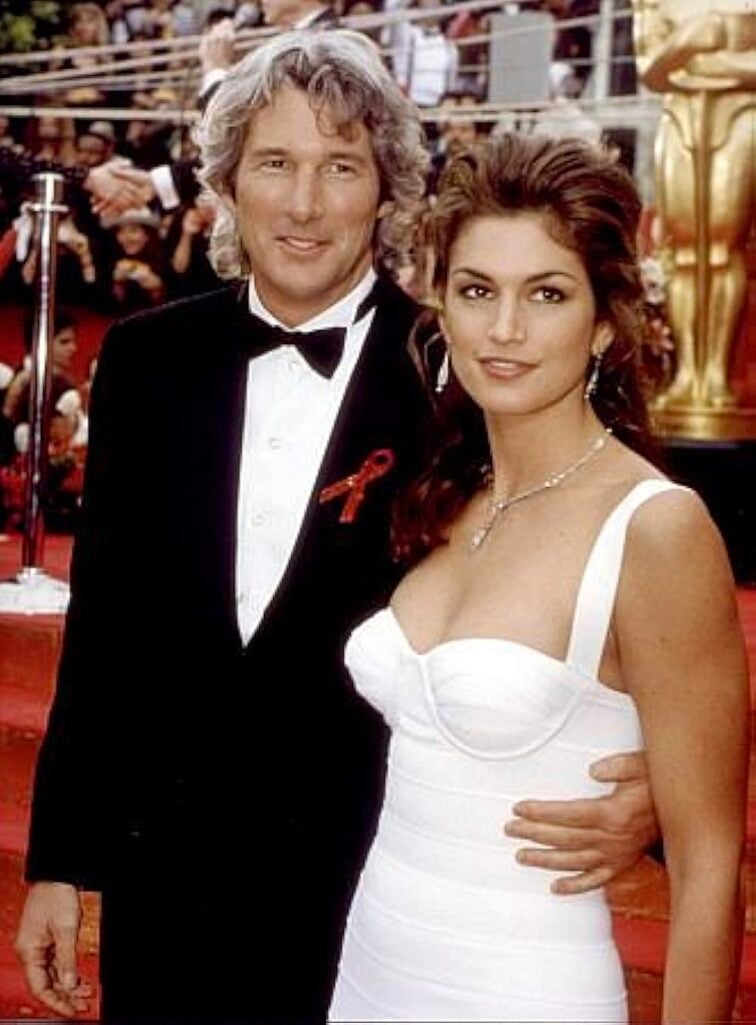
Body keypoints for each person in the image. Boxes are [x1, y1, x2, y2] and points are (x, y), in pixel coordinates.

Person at [17, 32, 656, 1025]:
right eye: (275, 163)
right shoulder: (148, 362)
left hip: (369, 893)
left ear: (388, 188)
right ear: (227, 180)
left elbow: (596, 568)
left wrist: (651, 784)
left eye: (339, 167)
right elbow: (104, 634)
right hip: (164, 888)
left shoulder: (461, 376)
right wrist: (60, 859)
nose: (304, 204)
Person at [328, 133, 750, 1023]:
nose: (505, 330)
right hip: (369, 972)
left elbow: (710, 864)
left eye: (547, 294)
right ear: (440, 307)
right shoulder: (442, 490)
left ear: (604, 321)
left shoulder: (657, 527)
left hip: (524, 990)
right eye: (478, 290)